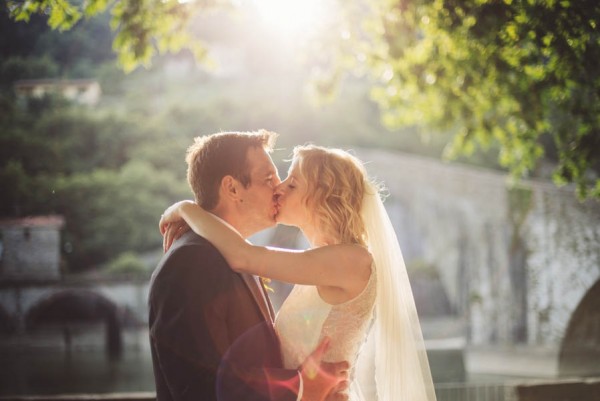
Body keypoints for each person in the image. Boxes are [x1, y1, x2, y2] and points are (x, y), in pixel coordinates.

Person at [160, 144, 438, 401]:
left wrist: (185, 209)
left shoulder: (352, 260)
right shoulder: (320, 262)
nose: (279, 189)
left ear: (323, 196)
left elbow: (243, 256)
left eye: (292, 183)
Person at [148, 131, 350, 401]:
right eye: (268, 179)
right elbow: (201, 384)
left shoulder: (235, 254)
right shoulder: (191, 262)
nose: (278, 188)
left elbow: (250, 366)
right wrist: (299, 387)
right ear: (232, 188)